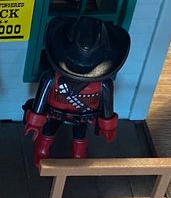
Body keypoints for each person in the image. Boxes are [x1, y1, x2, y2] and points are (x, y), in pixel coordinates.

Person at [23, 16, 130, 166]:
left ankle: (78, 155)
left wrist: (107, 126)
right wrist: (34, 122)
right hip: (54, 114)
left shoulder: (103, 83)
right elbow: (40, 100)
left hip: (83, 117)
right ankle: (42, 149)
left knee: (80, 137)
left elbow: (107, 106)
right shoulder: (51, 78)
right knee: (48, 132)